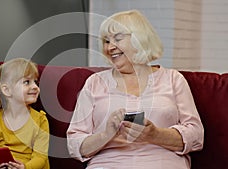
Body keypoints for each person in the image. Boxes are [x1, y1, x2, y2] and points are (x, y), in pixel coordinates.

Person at [67, 10, 204, 169]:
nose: (110, 47)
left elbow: (196, 136)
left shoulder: (173, 79)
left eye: (118, 38)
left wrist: (155, 135)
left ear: (140, 40)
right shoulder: (94, 83)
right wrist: (106, 135)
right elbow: (75, 144)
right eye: (106, 41)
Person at [0, 58, 50, 169]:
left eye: (35, 81)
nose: (35, 87)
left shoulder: (40, 120)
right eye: (27, 82)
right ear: (6, 90)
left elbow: (40, 157)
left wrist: (25, 167)